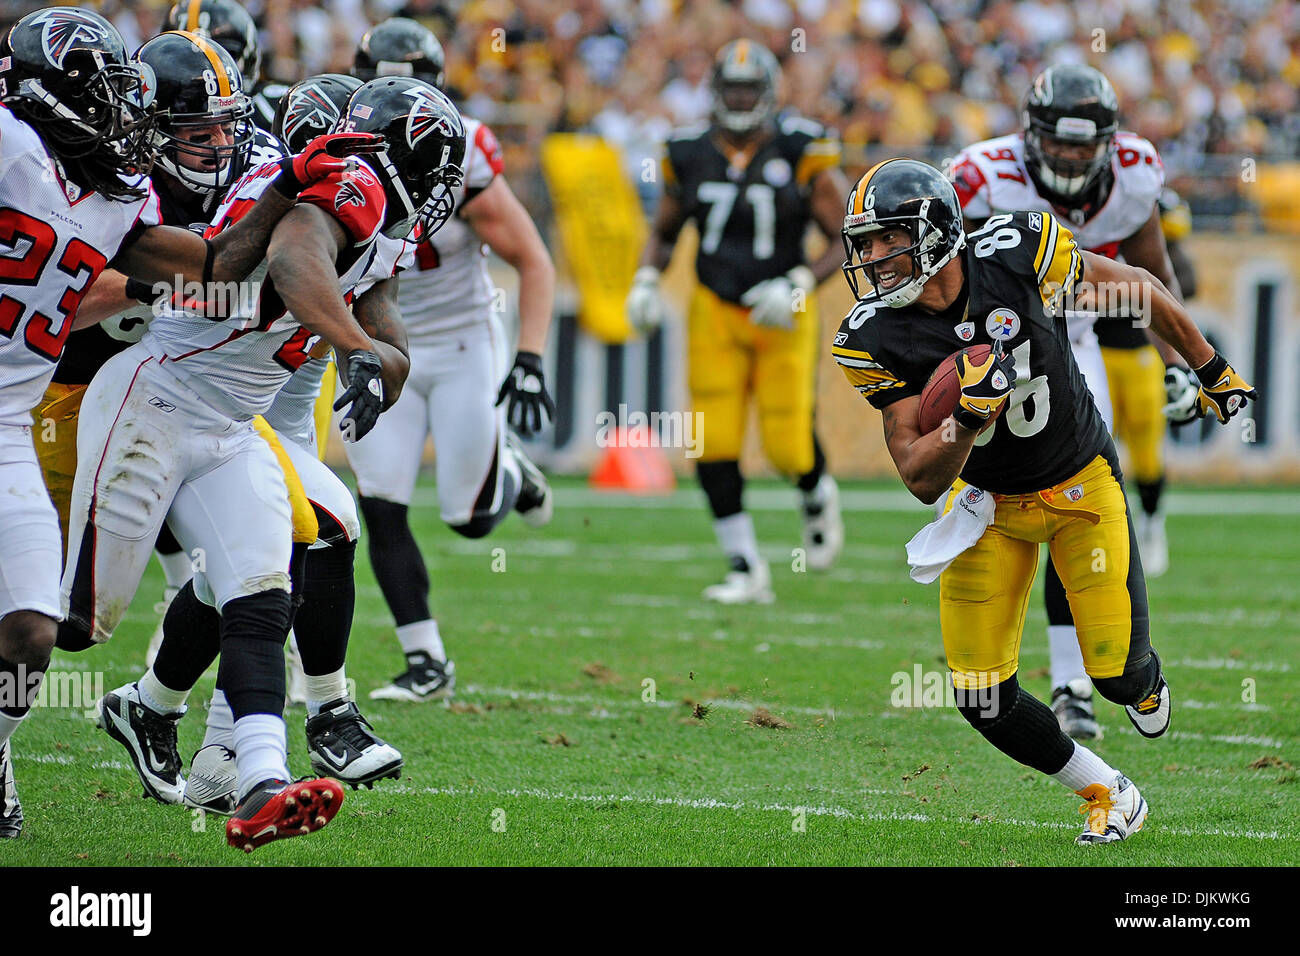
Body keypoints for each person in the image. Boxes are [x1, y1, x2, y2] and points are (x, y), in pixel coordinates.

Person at [62, 76, 465, 850]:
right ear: (421, 156)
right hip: (156, 398)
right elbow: (292, 256)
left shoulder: (391, 230)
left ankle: (260, 786)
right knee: (79, 623)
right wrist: (352, 349)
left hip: (232, 426)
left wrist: (376, 366)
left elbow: (393, 341)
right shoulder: (358, 185)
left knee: (260, 590)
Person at [0, 7, 357, 839]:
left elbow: (218, 262)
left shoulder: (118, 197)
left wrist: (292, 199)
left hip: (32, 414)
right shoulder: (16, 146)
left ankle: (246, 769)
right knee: (77, 612)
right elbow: (100, 299)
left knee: (43, 630)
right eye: (186, 125)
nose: (207, 141)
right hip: (92, 392)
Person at [832, 158, 1255, 843]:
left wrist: (1209, 368)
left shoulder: (1017, 251)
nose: (874, 259)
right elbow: (919, 476)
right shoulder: (874, 335)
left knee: (1116, 677)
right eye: (866, 244)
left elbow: (1139, 292)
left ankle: (1143, 679)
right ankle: (1107, 790)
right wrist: (964, 421)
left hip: (1079, 484)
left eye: (888, 239)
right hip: (987, 505)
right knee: (980, 694)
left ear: (937, 233)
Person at [949, 64, 1197, 739]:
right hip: (995, 348)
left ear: (1109, 145)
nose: (1071, 156)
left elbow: (1153, 276)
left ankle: (1072, 685)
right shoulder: (983, 174)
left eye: (1085, 146)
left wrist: (1176, 359)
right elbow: (945, 279)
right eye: (1059, 143)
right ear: (1031, 137)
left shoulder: (1137, 174)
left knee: (1071, 495)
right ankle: (1062, 678)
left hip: (1077, 337)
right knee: (1008, 495)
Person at [346, 17, 557, 702]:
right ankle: (426, 660)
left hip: (463, 339)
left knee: (468, 521)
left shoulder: (463, 152)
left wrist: (528, 358)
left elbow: (532, 259)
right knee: (380, 504)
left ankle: (511, 469)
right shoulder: (333, 150)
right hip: (380, 344)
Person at [626, 39, 849, 604]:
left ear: (768, 93)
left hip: (784, 309)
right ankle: (746, 566)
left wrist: (801, 282)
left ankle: (816, 489)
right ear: (716, 93)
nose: (741, 98)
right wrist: (647, 279)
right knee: (713, 440)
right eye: (733, 88)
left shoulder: (802, 146)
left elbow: (848, 233)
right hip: (715, 308)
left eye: (750, 89)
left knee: (787, 444)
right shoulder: (687, 149)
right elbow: (667, 228)